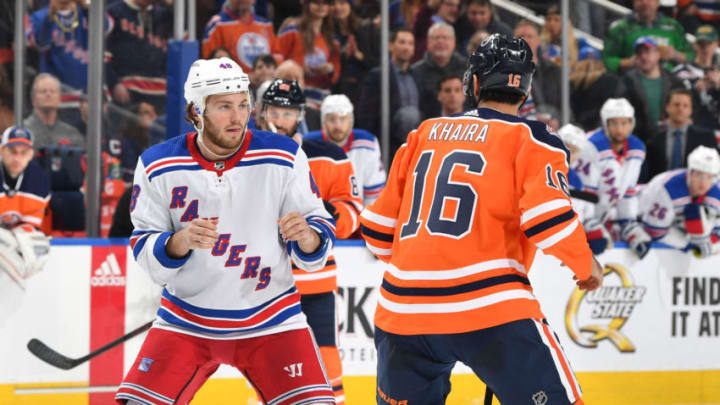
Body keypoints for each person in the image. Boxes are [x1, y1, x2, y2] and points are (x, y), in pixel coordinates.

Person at [360, 33, 603, 405]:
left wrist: (430, 264)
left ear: (473, 82)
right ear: (525, 89)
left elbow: (377, 233)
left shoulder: (423, 133)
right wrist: (587, 266)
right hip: (491, 308)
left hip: (402, 310)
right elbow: (548, 220)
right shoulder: (534, 139)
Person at [115, 57, 336, 405]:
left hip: (272, 318)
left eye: (243, 105)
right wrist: (178, 241)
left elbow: (318, 230)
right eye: (224, 107)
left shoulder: (285, 155)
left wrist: (307, 237)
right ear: (195, 111)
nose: (238, 117)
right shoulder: (157, 165)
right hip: (185, 320)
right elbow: (144, 245)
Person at [258, 79, 363, 405]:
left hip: (316, 284)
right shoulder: (243, 156)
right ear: (262, 113)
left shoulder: (329, 156)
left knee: (326, 368)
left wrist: (325, 211)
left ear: (301, 115)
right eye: (275, 110)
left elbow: (354, 215)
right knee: (271, 370)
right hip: (264, 284)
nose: (282, 118)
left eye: (288, 112)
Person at [573, 98, 650, 257]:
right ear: (605, 124)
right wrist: (589, 224)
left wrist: (628, 223)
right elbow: (582, 194)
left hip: (605, 213)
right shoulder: (591, 146)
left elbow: (628, 190)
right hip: (578, 214)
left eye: (625, 123)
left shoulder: (637, 148)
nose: (620, 129)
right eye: (614, 123)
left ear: (632, 124)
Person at [0, 126, 51, 325]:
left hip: (10, 240)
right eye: (12, 151)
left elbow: (30, 228)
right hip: (8, 239)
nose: (17, 157)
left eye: (23, 153)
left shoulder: (38, 180)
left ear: (31, 154)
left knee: (38, 251)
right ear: (2, 150)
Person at [306, 94, 387, 206]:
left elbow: (374, 195)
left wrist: (366, 222)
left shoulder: (368, 144)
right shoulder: (309, 144)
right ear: (323, 121)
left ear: (351, 120)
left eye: (343, 119)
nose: (338, 125)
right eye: (332, 119)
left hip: (358, 216)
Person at [639, 145, 720, 258]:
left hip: (676, 226)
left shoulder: (716, 192)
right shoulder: (667, 189)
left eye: (710, 177)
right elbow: (654, 231)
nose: (703, 183)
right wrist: (688, 245)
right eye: (699, 175)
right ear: (690, 172)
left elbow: (717, 230)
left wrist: (709, 244)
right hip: (638, 218)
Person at [357, 28, 421, 155]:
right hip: (388, 145)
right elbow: (366, 113)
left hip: (416, 146)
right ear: (391, 46)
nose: (406, 47)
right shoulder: (378, 75)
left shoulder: (418, 76)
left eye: (410, 43)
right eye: (402, 42)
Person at [107, 0, 173, 112]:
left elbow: (189, 18)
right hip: (129, 92)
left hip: (161, 94)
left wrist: (169, 3)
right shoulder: (114, 12)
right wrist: (114, 83)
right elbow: (102, 56)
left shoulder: (165, 15)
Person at [617, 36, 684, 143]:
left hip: (669, 139)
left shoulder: (674, 81)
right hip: (637, 140)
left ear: (658, 55)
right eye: (639, 53)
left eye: (647, 52)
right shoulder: (627, 81)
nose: (643, 57)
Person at [644, 88, 718, 181]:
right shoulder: (654, 138)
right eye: (676, 105)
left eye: (685, 105)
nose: (680, 109)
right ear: (667, 107)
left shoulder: (706, 137)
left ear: (691, 110)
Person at [602, 0, 693, 73]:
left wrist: (675, 55)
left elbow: (693, 56)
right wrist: (629, 62)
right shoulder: (621, 28)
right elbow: (607, 60)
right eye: (640, 0)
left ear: (657, 2)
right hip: (633, 83)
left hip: (670, 82)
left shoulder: (673, 26)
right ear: (633, 2)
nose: (645, 2)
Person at [274, 0, 341, 93]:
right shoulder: (292, 29)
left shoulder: (333, 39)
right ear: (307, 4)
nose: (321, 7)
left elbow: (336, 74)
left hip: (320, 94)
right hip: (290, 89)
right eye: (316, 2)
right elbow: (276, 57)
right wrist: (295, 70)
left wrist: (330, 70)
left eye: (325, 3)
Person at [201, 0, 276, 74]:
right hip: (231, 82)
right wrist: (244, 77)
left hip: (266, 80)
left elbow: (277, 56)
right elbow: (209, 63)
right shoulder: (216, 24)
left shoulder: (265, 24)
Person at [411, 22, 466, 120]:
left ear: (454, 41)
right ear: (428, 42)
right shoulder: (416, 71)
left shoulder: (467, 67)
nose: (440, 41)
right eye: (436, 38)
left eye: (445, 38)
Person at [23, 73, 85, 150]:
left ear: (59, 99)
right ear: (33, 99)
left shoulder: (72, 134)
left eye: (52, 91)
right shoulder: (22, 131)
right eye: (43, 91)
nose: (48, 94)